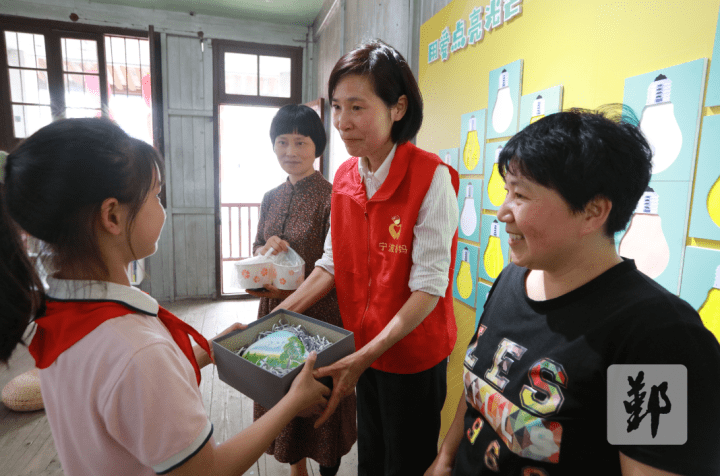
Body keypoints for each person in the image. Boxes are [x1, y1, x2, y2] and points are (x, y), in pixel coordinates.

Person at [0, 118, 330, 476]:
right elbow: (208, 470)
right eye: (156, 195)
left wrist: (203, 353)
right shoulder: (138, 351)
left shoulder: (59, 315)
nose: (162, 208)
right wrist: (293, 399)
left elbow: (120, 400)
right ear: (112, 215)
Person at [425, 107, 720, 476]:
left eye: (521, 195)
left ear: (593, 212)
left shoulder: (659, 338)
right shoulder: (513, 280)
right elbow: (481, 389)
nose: (502, 212)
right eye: (506, 191)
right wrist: (445, 459)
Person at [273, 39, 460, 476]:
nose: (341, 122)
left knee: (407, 460)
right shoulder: (343, 176)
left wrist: (363, 356)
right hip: (362, 349)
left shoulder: (431, 179)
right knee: (372, 456)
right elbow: (332, 262)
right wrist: (278, 316)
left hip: (412, 354)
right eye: (337, 108)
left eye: (356, 108)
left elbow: (429, 287)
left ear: (397, 108)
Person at [246, 104, 356, 476]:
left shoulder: (333, 195)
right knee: (280, 389)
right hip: (274, 311)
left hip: (321, 312)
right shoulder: (270, 197)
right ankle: (297, 471)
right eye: (282, 142)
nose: (290, 152)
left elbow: (337, 263)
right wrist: (265, 248)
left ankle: (327, 468)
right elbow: (257, 248)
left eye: (300, 142)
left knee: (321, 397)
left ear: (317, 146)